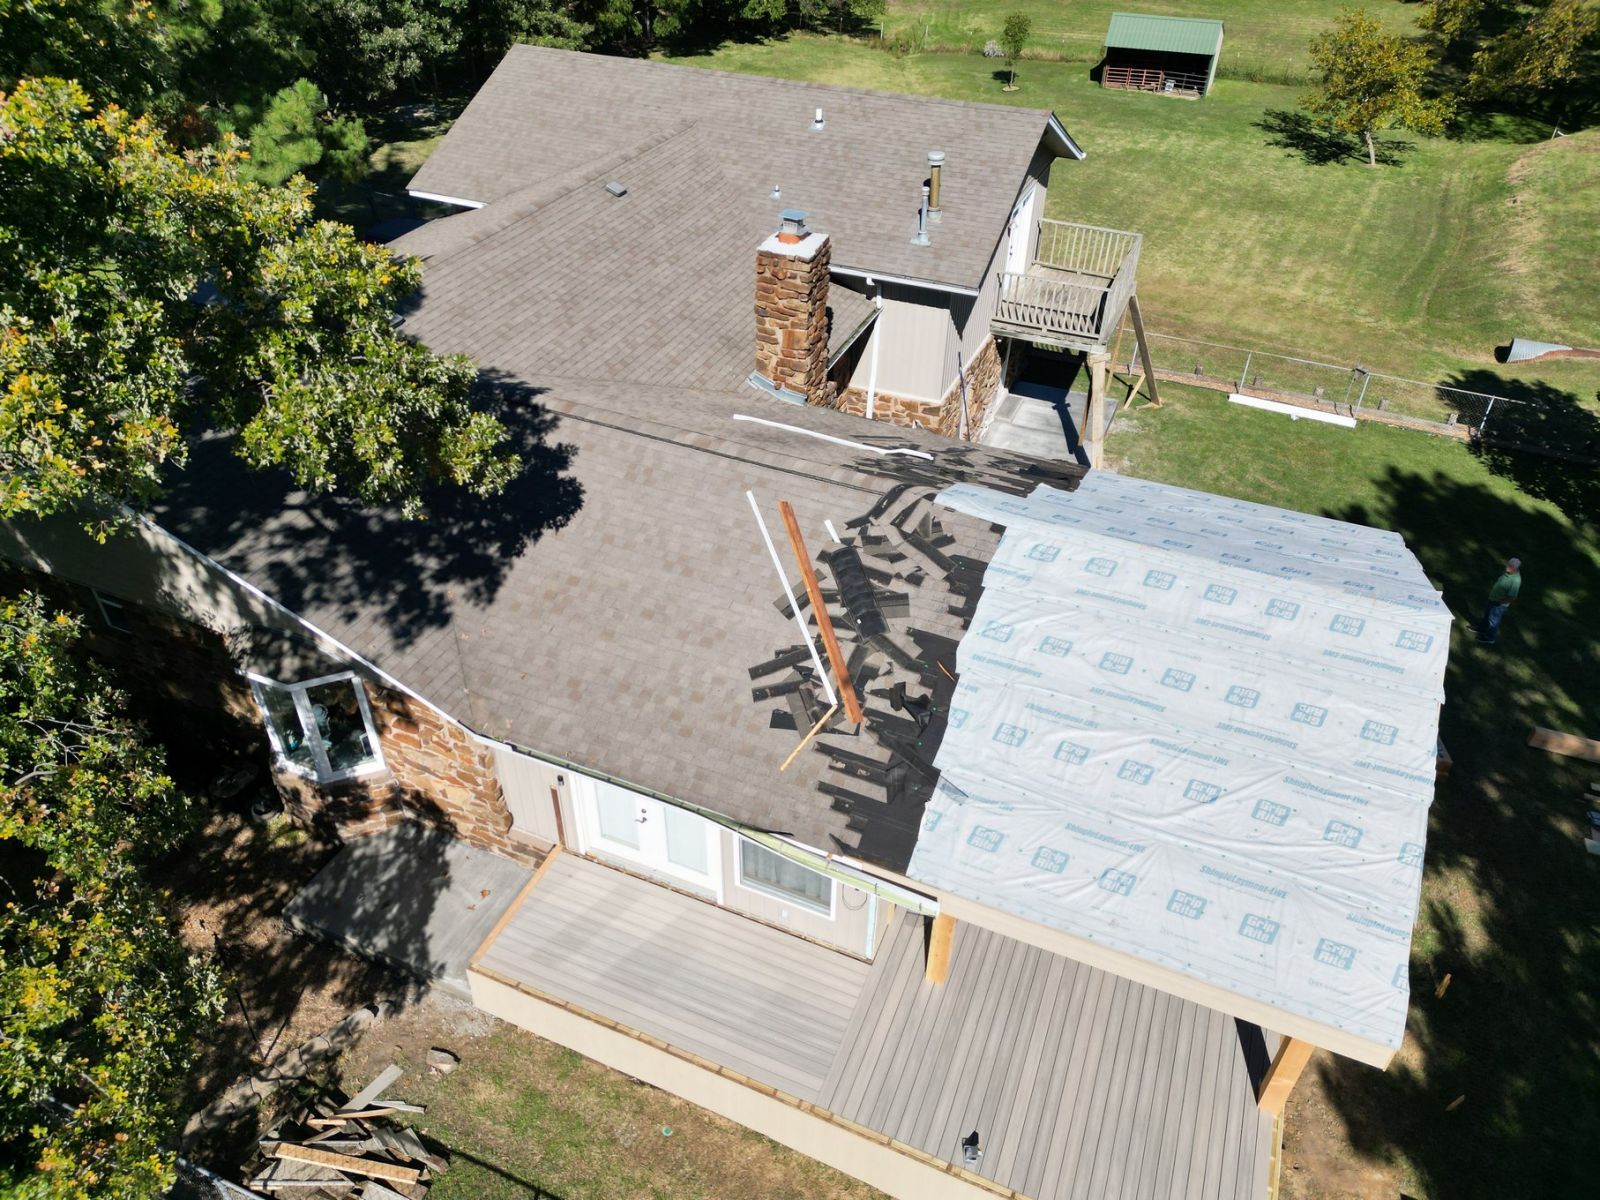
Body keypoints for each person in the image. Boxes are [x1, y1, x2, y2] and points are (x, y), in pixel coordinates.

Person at [1474, 557, 1522, 645]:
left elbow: (1512, 597)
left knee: (1493, 621)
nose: (1508, 567)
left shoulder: (1516, 580)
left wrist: (1500, 603)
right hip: (1492, 599)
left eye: (1511, 566)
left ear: (1516, 568)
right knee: (1486, 616)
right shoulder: (1508, 572)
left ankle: (1490, 638)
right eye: (1509, 564)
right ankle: (1482, 629)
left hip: (1498, 604)